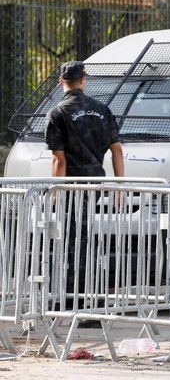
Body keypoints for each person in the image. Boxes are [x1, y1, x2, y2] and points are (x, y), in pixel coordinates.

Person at [45, 60, 124, 327]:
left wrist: (56, 190)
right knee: (86, 242)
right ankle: (89, 304)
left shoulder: (57, 112)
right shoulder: (102, 109)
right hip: (94, 186)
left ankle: (69, 301)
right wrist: (121, 185)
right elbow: (117, 151)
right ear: (83, 80)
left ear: (61, 81)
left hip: (71, 187)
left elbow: (59, 160)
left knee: (68, 244)